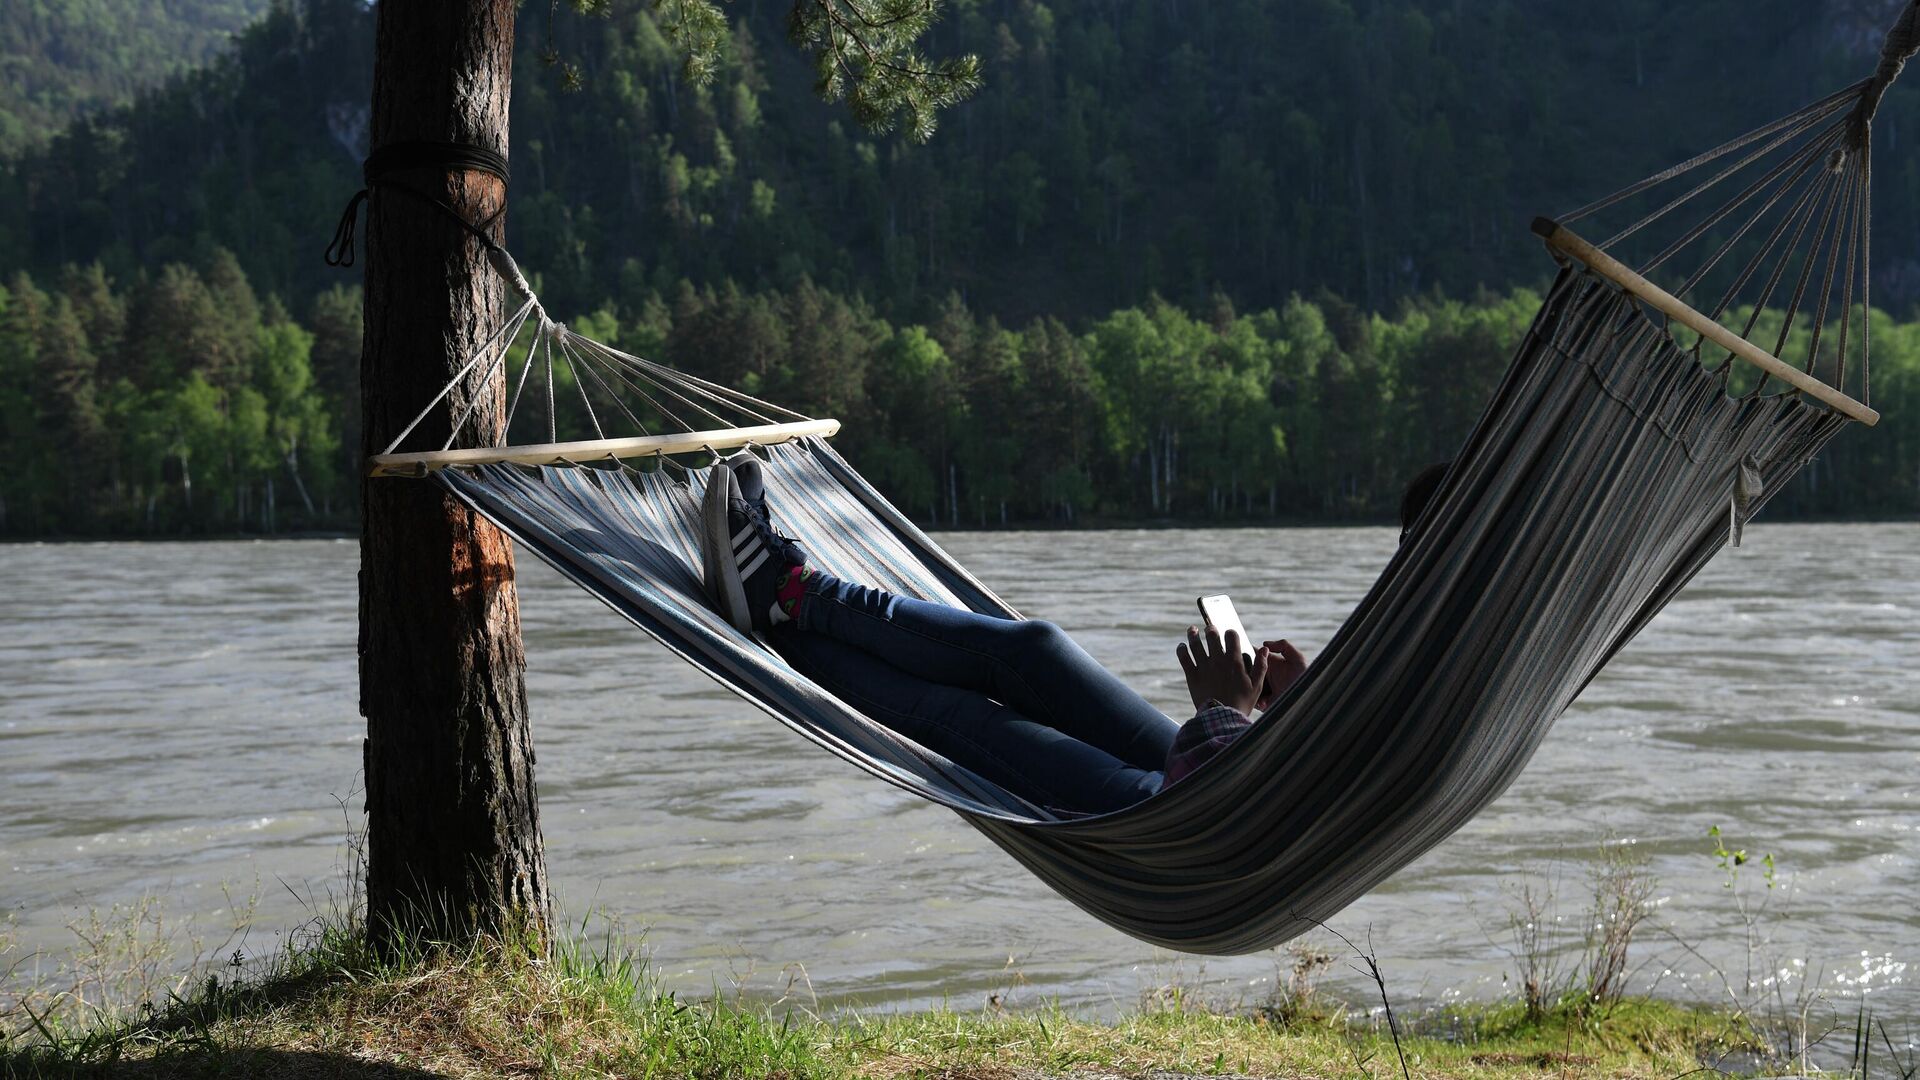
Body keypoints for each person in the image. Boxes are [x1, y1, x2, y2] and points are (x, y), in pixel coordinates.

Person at [702, 457, 1451, 815]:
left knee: (973, 726)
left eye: (1415, 547)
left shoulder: (1458, 663)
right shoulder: (1433, 639)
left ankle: (786, 612)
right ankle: (792, 597)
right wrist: (1297, 701)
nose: (1402, 566)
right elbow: (1341, 755)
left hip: (1190, 833)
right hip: (1230, 776)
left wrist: (1223, 711)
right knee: (1036, 650)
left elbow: (1248, 817)